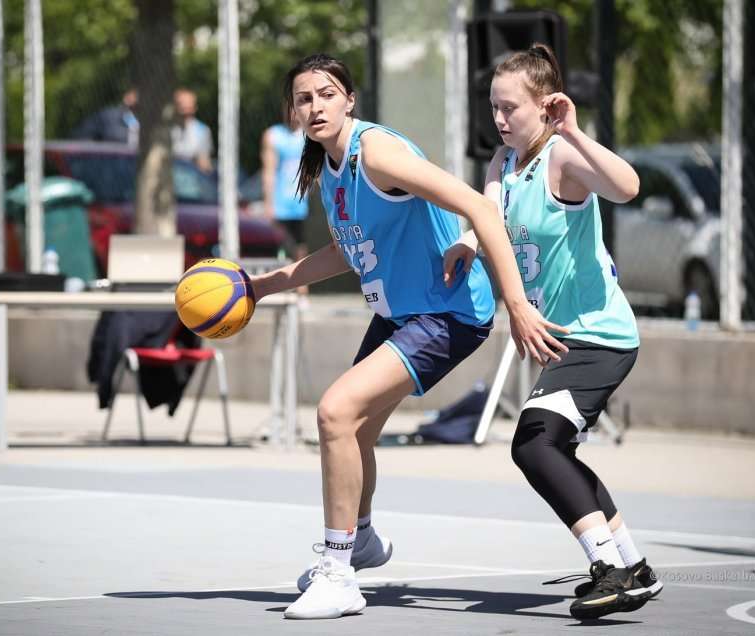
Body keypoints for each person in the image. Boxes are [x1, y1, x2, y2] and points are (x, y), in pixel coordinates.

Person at [249, 53, 568, 621]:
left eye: (326, 94)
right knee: (356, 430)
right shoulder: (331, 168)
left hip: (447, 313)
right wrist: (267, 284)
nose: (316, 105)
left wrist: (516, 304)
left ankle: (339, 571)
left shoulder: (378, 152)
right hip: (401, 312)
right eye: (304, 98)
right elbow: (346, 250)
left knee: (334, 413)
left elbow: (476, 205)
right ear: (292, 112)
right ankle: (361, 539)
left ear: (349, 100)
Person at [443, 43, 662, 620]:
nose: (498, 118)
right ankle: (632, 563)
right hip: (565, 337)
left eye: (509, 108)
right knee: (552, 446)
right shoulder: (502, 162)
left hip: (600, 334)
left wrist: (576, 131)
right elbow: (489, 218)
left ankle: (607, 567)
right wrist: (468, 243)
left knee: (533, 444)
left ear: (546, 107)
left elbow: (627, 187)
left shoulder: (562, 157)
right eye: (493, 106)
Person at [260, 114, 310, 295]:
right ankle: (282, 286)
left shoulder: (309, 134)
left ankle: (302, 291)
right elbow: (269, 171)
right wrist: (269, 203)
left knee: (300, 246)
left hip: (300, 202)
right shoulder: (274, 135)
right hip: (281, 202)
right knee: (282, 247)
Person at [72, 87, 139, 146]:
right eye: (129, 97)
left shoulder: (129, 116)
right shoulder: (111, 112)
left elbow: (134, 129)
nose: (130, 100)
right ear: (125, 96)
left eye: (133, 98)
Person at [172, 88, 213, 173]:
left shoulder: (202, 130)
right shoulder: (166, 129)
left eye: (189, 108)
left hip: (191, 175)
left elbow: (204, 161)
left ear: (195, 108)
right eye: (182, 108)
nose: (186, 112)